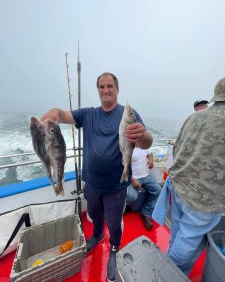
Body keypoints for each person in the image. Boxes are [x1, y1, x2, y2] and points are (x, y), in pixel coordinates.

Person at [41, 72, 153, 282]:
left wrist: (143, 136)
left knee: (114, 221)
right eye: (101, 87)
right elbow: (63, 115)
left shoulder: (128, 114)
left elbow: (146, 142)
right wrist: (54, 113)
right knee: (93, 214)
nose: (106, 90)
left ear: (117, 89)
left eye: (110, 86)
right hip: (91, 182)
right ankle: (97, 235)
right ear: (98, 90)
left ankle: (114, 249)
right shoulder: (88, 114)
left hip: (116, 185)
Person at [153, 77, 225, 276]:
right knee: (186, 244)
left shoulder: (194, 118)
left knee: (177, 231)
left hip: (177, 186)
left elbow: (176, 150)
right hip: (203, 199)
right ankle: (167, 276)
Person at [126, 148, 161, 230]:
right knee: (132, 196)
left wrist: (151, 161)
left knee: (157, 190)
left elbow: (150, 153)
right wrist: (132, 180)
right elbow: (122, 167)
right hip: (132, 177)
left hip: (145, 176)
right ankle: (124, 208)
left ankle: (146, 212)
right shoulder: (127, 147)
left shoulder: (143, 144)